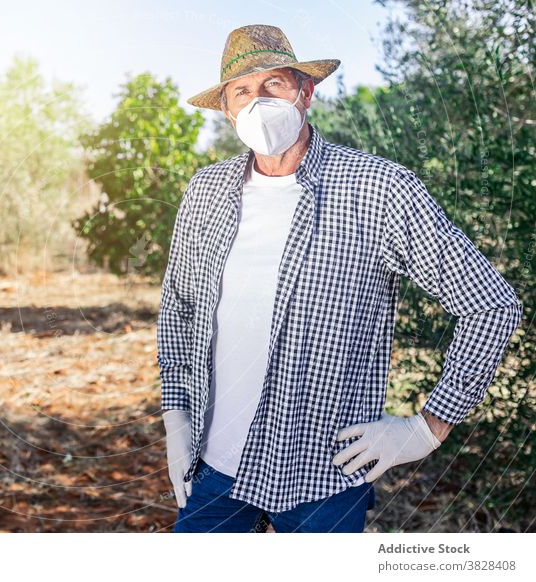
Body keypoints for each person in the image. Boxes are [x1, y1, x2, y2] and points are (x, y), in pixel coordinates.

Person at [157, 24, 523, 533]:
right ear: (226, 109)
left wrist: (427, 427)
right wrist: (176, 416)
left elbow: (491, 304)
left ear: (306, 92)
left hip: (325, 480)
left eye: (274, 85)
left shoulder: (380, 189)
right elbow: (178, 306)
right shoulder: (206, 190)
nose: (258, 100)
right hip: (214, 473)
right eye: (242, 90)